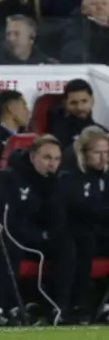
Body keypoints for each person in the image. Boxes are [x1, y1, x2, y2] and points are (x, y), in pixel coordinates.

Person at [0, 135, 76, 326]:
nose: (52, 164)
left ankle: (60, 308)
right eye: (47, 158)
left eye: (57, 159)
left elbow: (58, 220)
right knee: (7, 248)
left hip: (41, 236)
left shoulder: (59, 181)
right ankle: (6, 309)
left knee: (66, 245)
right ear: (32, 157)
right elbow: (0, 210)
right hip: (15, 235)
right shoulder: (10, 177)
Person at [54, 126, 109, 323]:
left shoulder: (105, 175)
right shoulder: (70, 175)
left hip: (98, 231)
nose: (103, 158)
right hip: (72, 232)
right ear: (83, 153)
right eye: (97, 153)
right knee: (80, 244)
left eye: (106, 152)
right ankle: (68, 307)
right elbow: (79, 207)